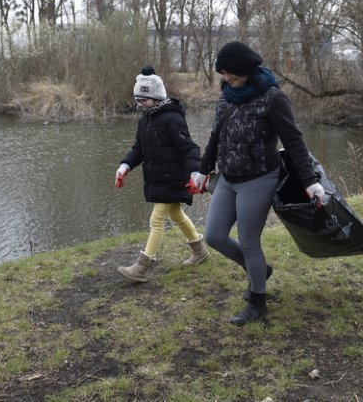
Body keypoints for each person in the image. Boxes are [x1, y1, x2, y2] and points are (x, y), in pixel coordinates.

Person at [190, 41, 324, 325]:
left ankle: (257, 299)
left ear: (248, 70)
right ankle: (259, 271)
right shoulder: (226, 97)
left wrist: (310, 182)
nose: (227, 77)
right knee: (213, 235)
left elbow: (294, 142)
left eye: (232, 72)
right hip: (227, 177)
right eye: (223, 72)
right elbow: (216, 136)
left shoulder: (272, 98)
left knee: (250, 241)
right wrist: (203, 170)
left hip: (259, 178)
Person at [114, 65, 209, 282]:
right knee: (176, 214)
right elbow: (138, 149)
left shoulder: (172, 119)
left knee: (156, 219)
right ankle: (200, 251)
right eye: (137, 100)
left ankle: (141, 266)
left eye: (144, 100)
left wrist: (196, 172)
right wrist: (125, 166)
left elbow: (190, 149)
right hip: (158, 178)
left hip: (174, 177)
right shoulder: (144, 121)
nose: (140, 104)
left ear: (156, 98)